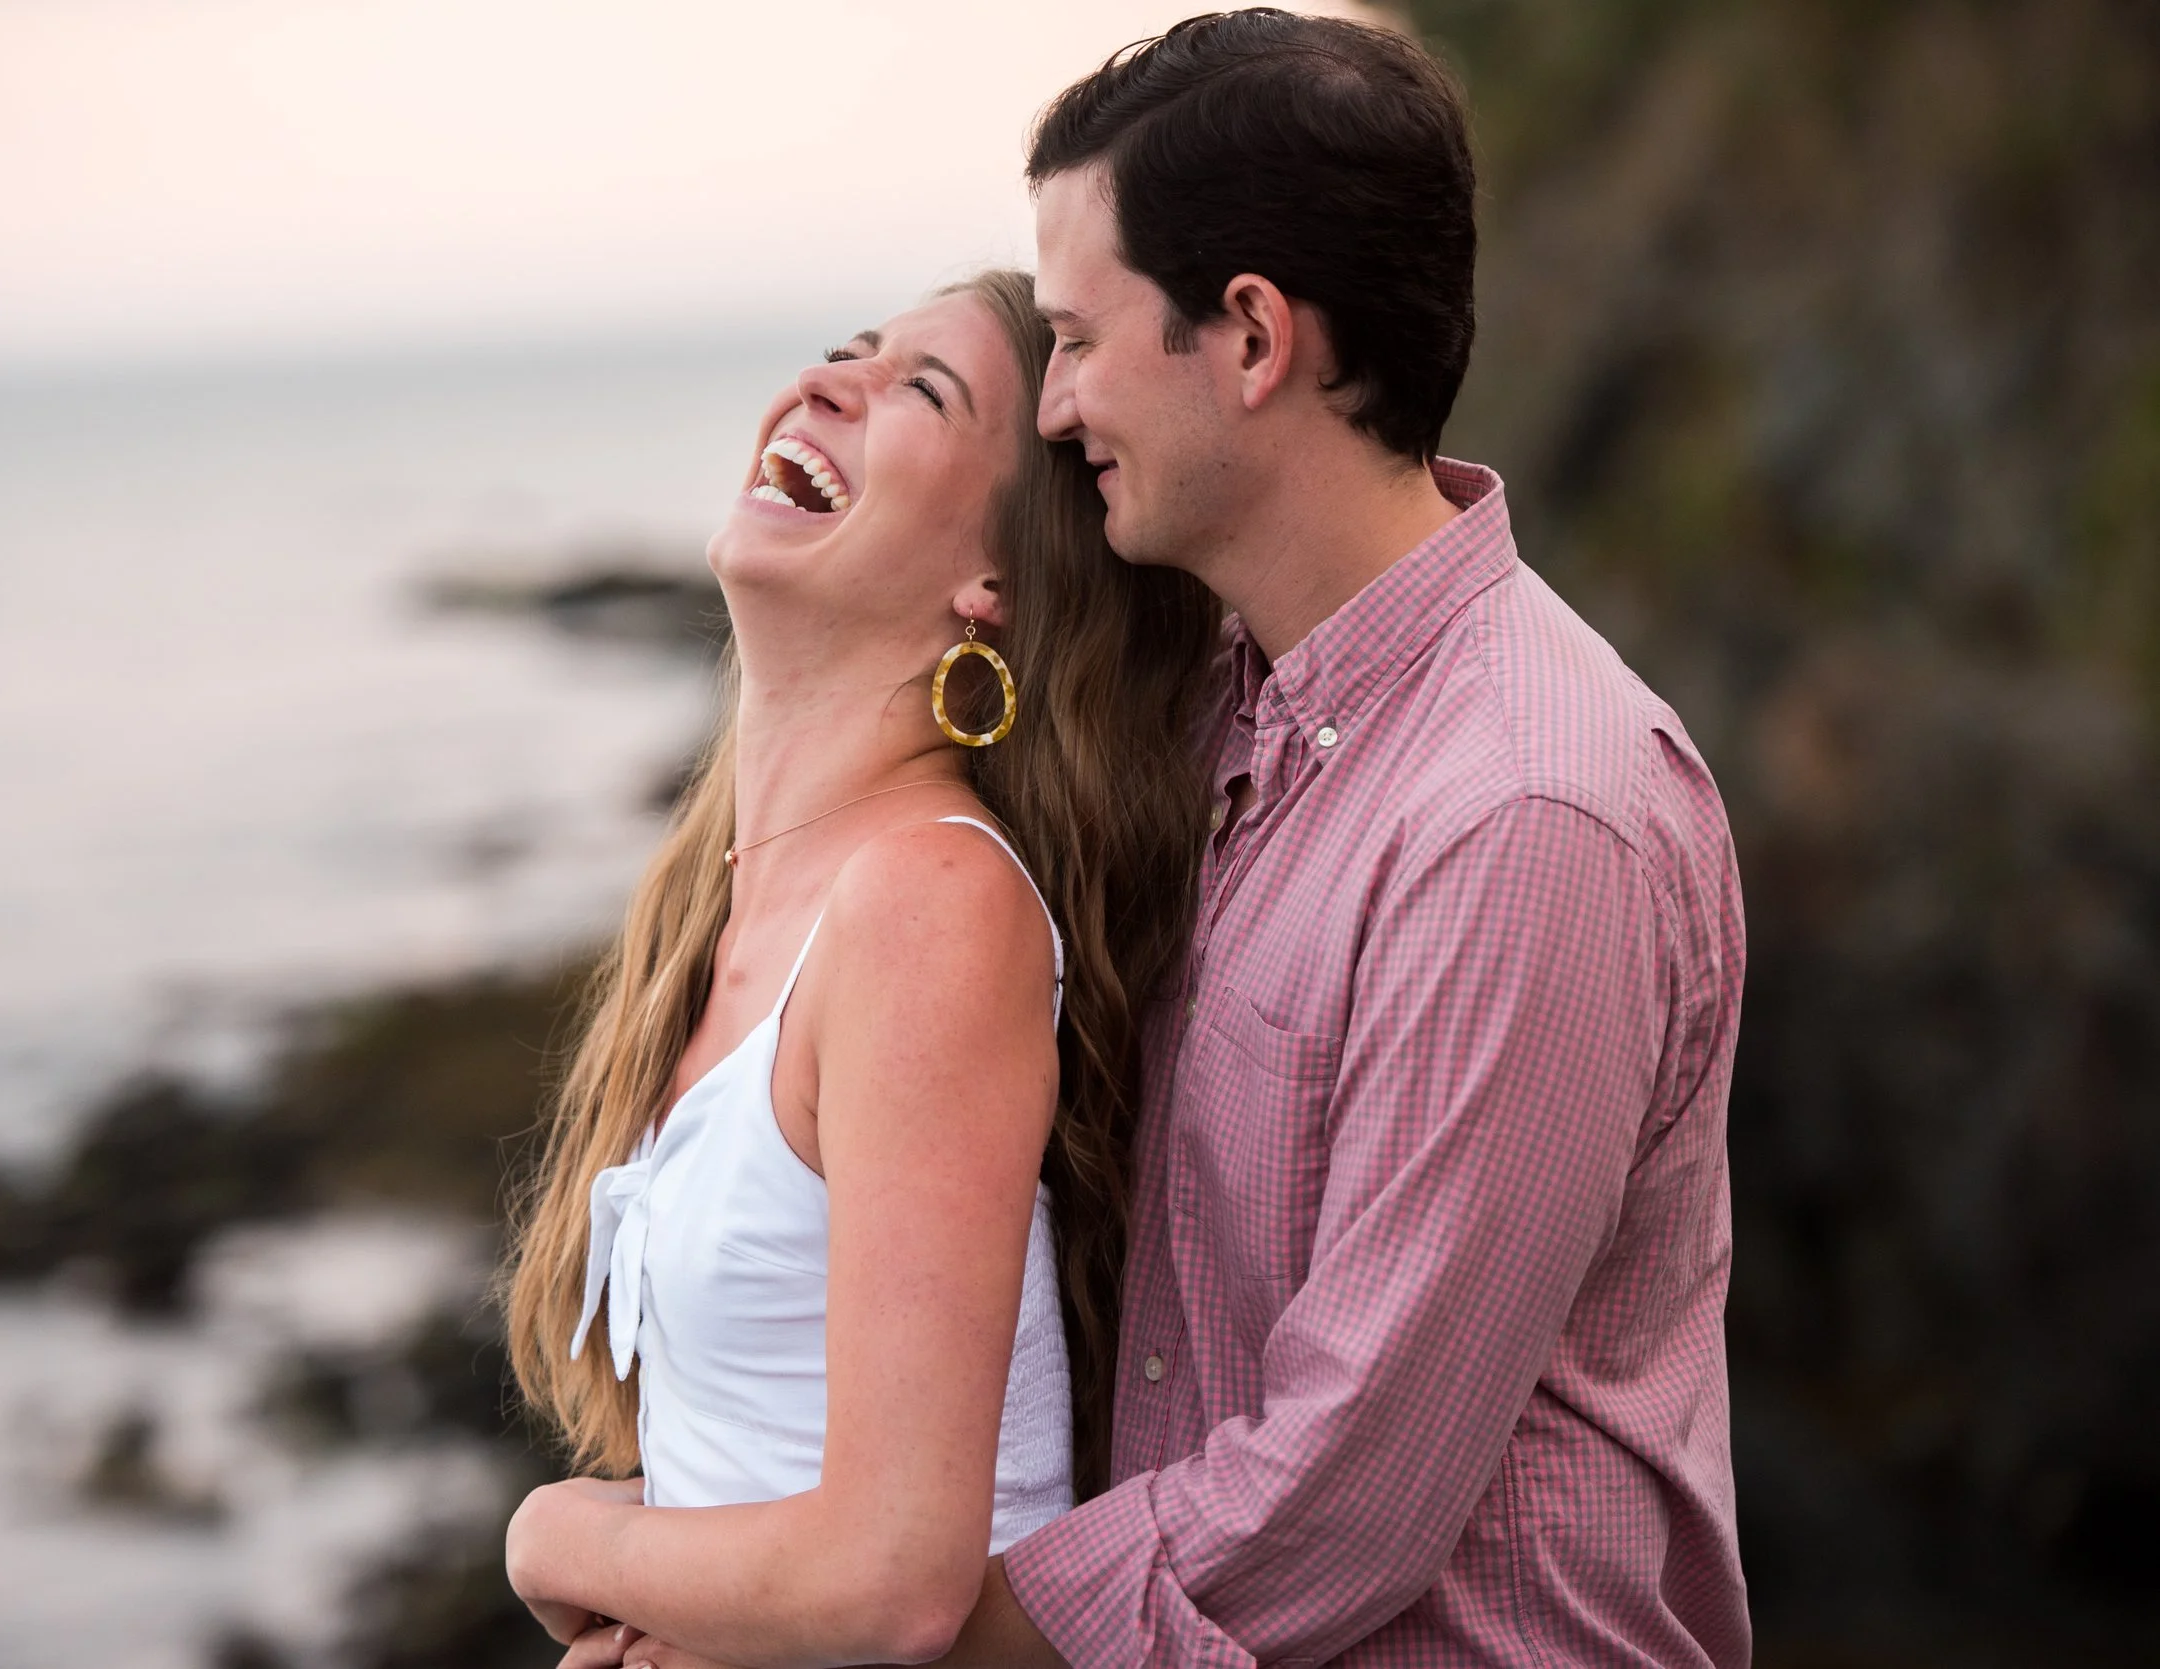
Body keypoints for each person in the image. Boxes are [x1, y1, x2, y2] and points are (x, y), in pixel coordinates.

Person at [614, 10, 1752, 1668]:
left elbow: (1345, 1491)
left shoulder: (1528, 812)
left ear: (1250, 339)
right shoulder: (1226, 711)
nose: (1060, 412)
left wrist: (836, 1621)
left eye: (1076, 340)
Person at [498, 270, 1220, 1667]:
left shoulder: (931, 903)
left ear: (995, 581)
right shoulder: (733, 905)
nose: (830, 383)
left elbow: (893, 1578)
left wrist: (560, 1538)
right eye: (848, 353)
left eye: (920, 389)